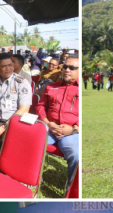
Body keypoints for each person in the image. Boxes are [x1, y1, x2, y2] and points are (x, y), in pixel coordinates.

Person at [0, 52, 31, 169]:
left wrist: (4, 127)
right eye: (4, 66)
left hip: (14, 120)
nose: (8, 68)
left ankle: (8, 169)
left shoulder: (21, 82)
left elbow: (24, 109)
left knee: (9, 139)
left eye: (10, 65)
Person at [36, 55, 79, 190]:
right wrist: (48, 123)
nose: (67, 70)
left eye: (72, 68)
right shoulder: (51, 87)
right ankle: (34, 179)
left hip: (72, 132)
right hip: (50, 128)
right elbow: (40, 106)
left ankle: (70, 189)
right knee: (31, 143)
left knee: (76, 155)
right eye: (65, 66)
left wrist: (73, 129)